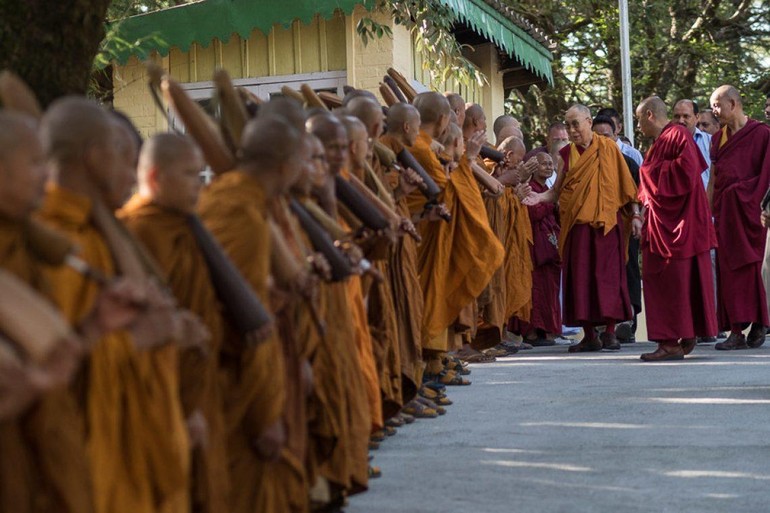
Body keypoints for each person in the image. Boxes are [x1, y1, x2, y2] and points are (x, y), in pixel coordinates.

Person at [39, 97, 195, 513]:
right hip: (85, 460)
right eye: (124, 158)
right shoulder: (56, 243)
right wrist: (139, 339)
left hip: (130, 449)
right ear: (94, 157)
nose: (132, 173)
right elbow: (47, 370)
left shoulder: (100, 232)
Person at [0, 109, 146, 513]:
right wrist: (34, 382)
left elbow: (52, 360)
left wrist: (94, 327)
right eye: (33, 163)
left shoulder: (27, 247)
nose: (43, 174)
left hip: (57, 460)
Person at [118, 133, 231, 513]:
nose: (199, 184)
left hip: (202, 387)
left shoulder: (185, 225)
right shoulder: (138, 232)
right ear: (154, 178)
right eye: (189, 174)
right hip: (163, 394)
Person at [523, 104, 639, 352]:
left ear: (588, 121)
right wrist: (537, 197)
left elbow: (627, 188)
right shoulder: (565, 155)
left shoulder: (608, 148)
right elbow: (556, 192)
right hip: (577, 226)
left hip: (607, 225)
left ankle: (609, 332)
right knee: (581, 280)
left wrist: (637, 215)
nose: (572, 130)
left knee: (608, 279)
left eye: (576, 123)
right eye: (568, 125)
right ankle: (589, 335)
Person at [407, 92, 503, 379]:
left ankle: (436, 361)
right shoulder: (422, 150)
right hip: (426, 233)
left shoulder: (423, 147)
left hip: (429, 232)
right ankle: (427, 367)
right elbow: (446, 194)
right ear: (443, 119)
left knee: (437, 293)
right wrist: (468, 160)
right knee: (432, 294)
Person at [635, 96, 718, 361]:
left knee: (667, 281)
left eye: (639, 121)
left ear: (649, 115)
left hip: (678, 225)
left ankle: (670, 342)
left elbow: (687, 172)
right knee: (677, 282)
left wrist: (650, 171)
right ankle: (685, 333)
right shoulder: (661, 142)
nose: (638, 128)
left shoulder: (676, 135)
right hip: (669, 222)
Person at [708, 85, 770, 349]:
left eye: (717, 105)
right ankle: (735, 330)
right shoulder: (717, 138)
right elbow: (714, 178)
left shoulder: (762, 134)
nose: (714, 111)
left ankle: (759, 322)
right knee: (729, 272)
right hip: (726, 214)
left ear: (733, 104)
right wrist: (706, 214)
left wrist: (756, 204)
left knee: (753, 270)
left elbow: (767, 176)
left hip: (753, 214)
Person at [591, 115, 642, 344]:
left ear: (616, 136)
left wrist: (636, 217)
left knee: (627, 269)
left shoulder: (627, 162)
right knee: (598, 274)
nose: (603, 141)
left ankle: (627, 322)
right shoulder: (585, 162)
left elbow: (636, 194)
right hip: (594, 227)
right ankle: (600, 325)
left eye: (607, 136)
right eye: (598, 136)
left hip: (622, 225)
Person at [512, 152, 561, 345]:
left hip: (549, 244)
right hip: (534, 245)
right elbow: (532, 212)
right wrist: (550, 202)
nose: (549, 167)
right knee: (536, 289)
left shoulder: (547, 188)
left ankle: (547, 330)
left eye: (550, 164)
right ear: (533, 167)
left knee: (549, 290)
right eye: (544, 164)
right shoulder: (529, 187)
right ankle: (533, 331)